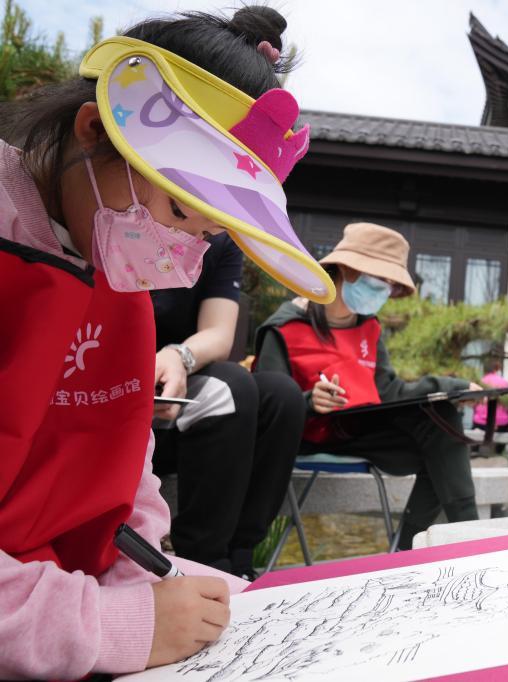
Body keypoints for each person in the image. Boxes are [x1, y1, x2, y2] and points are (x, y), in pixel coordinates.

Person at [0, 7, 333, 678]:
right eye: (180, 209)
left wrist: (150, 582)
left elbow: (127, 471)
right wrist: (113, 625)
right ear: (94, 129)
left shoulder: (112, 263)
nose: (179, 252)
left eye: (208, 235)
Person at [254, 222, 483, 550]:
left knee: (443, 423)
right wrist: (308, 401)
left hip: (358, 431)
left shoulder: (369, 328)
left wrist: (453, 388)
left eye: (390, 286)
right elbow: (266, 406)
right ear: (347, 270)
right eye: (380, 282)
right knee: (441, 454)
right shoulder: (284, 327)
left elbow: (388, 392)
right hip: (303, 438)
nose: (384, 292)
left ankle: (419, 546)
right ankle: (461, 541)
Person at [151, 233, 306, 580]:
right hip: (129, 396)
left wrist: (178, 356)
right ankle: (203, 561)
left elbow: (219, 335)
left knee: (283, 397)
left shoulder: (220, 241)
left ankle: (240, 558)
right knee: (230, 386)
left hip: (185, 387)